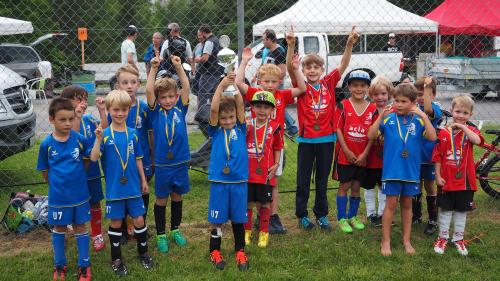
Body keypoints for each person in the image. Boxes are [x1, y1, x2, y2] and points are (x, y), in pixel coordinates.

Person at [287, 26, 358, 230]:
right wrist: (291, 45)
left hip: (326, 140)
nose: (311, 70)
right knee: (302, 180)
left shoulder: (328, 83)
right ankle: (302, 214)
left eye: (315, 67)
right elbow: (291, 68)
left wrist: (349, 44)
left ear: (322, 69)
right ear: (304, 70)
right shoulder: (301, 85)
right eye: (308, 67)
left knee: (321, 180)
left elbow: (344, 64)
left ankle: (321, 214)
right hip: (307, 141)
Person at [236, 46, 306, 235]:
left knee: (272, 182)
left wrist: (296, 68)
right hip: (253, 148)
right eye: (266, 81)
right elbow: (238, 83)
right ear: (259, 81)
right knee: (253, 181)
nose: (269, 85)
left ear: (279, 82)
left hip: (274, 147)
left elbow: (302, 88)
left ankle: (270, 217)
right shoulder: (255, 95)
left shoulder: (281, 95)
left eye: (274, 82)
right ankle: (253, 217)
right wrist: (244, 61)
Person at [368, 83, 437, 256]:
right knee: (390, 205)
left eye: (403, 101)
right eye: (396, 100)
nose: (398, 104)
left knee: (407, 205)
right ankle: (386, 241)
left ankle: (406, 240)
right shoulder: (388, 118)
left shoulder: (419, 120)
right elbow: (370, 135)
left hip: (411, 172)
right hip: (392, 171)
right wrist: (380, 117)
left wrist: (424, 115)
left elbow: (432, 137)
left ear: (413, 102)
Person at [90, 90, 153, 276]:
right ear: (108, 110)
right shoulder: (105, 134)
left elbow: (139, 158)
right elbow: (93, 158)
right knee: (116, 222)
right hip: (115, 189)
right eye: (116, 109)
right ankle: (116, 258)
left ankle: (144, 253)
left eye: (124, 109)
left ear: (129, 110)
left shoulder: (133, 134)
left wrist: (143, 180)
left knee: (139, 219)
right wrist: (97, 140)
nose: (120, 113)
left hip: (134, 186)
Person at [37, 98, 92, 281]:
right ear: (51, 119)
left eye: (70, 119)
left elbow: (86, 161)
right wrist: (57, 184)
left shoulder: (79, 140)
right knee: (59, 227)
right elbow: (45, 171)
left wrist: (76, 180)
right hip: (59, 196)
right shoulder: (46, 145)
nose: (68, 123)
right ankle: (59, 264)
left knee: (79, 227)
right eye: (63, 120)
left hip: (80, 194)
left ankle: (84, 265)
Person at [146, 53, 191, 254]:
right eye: (163, 97)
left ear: (177, 96)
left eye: (171, 96)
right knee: (161, 199)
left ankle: (175, 230)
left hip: (180, 162)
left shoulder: (180, 108)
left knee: (177, 197)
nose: (168, 100)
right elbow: (148, 91)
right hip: (163, 164)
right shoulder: (156, 112)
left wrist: (179, 67)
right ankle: (161, 235)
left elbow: (186, 87)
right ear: (158, 99)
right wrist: (153, 69)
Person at [103, 64, 153, 240]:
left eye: (133, 82)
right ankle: (123, 229)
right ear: (118, 86)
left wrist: (152, 157)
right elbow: (105, 133)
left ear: (138, 84)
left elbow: (150, 133)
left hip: (142, 160)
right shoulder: (115, 110)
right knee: (122, 194)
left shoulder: (144, 108)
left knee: (142, 192)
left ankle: (141, 226)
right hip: (121, 162)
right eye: (125, 82)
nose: (129, 86)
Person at [207, 74, 249, 271]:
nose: (228, 120)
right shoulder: (215, 131)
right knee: (217, 220)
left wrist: (233, 85)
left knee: (239, 219)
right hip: (219, 181)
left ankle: (240, 251)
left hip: (239, 181)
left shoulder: (240, 128)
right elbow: (215, 108)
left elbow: (240, 104)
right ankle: (214, 251)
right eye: (224, 118)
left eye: (230, 117)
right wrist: (221, 85)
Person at [432, 95, 483, 256]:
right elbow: (438, 156)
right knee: (445, 210)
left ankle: (458, 239)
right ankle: (443, 238)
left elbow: (476, 140)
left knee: (461, 211)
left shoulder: (471, 132)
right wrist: (437, 176)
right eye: (457, 111)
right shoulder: (444, 133)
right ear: (452, 111)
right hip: (447, 180)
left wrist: (464, 128)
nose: (460, 115)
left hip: (465, 182)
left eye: (465, 113)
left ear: (470, 115)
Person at [60, 87, 107, 252]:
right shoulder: (65, 121)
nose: (83, 103)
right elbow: (73, 138)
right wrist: (77, 117)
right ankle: (72, 226)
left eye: (85, 99)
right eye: (78, 99)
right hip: (74, 173)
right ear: (67, 102)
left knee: (94, 201)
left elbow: (104, 129)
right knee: (73, 202)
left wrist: (102, 112)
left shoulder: (89, 118)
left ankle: (97, 234)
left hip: (92, 170)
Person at [335, 70, 376, 233]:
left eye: (362, 86)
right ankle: (341, 218)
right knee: (344, 185)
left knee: (357, 186)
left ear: (367, 88)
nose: (359, 89)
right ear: (349, 87)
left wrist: (365, 154)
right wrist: (346, 150)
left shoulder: (372, 108)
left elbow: (372, 135)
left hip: (362, 156)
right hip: (346, 155)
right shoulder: (343, 105)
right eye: (355, 85)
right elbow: (338, 129)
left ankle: (353, 216)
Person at [244, 91, 282, 248]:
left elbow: (278, 147)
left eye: (266, 107)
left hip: (266, 174)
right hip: (248, 173)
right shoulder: (246, 124)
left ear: (272, 110)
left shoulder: (275, 127)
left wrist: (277, 163)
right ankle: (247, 231)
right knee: (248, 203)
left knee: (265, 204)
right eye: (258, 106)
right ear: (252, 108)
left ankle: (264, 232)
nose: (262, 110)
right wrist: (243, 132)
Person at [412, 76, 442, 236]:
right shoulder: (413, 108)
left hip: (429, 156)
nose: (421, 98)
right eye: (418, 94)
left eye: (425, 94)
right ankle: (416, 216)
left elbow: (428, 110)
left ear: (433, 94)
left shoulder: (434, 108)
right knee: (415, 185)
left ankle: (432, 219)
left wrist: (427, 86)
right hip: (414, 157)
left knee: (429, 186)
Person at [362, 76, 393, 226]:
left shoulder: (394, 111)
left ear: (389, 94)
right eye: (376, 94)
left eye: (383, 94)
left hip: (387, 157)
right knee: (369, 184)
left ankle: (382, 213)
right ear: (371, 95)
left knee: (383, 185)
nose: (380, 97)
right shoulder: (368, 110)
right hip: (370, 154)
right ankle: (371, 213)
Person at [259, 29, 298, 137]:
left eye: (264, 40)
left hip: (275, 85)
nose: (263, 42)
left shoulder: (279, 51)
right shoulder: (270, 51)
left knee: (277, 105)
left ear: (270, 40)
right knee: (275, 105)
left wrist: (272, 83)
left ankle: (292, 127)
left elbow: (282, 71)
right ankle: (287, 126)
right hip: (269, 84)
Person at [195, 24, 223, 116]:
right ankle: (214, 115)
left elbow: (205, 58)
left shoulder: (209, 42)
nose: (199, 37)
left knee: (202, 94)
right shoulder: (216, 40)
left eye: (200, 34)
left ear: (203, 33)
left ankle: (201, 116)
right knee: (214, 95)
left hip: (208, 72)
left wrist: (198, 59)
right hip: (217, 71)